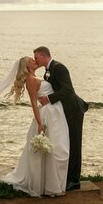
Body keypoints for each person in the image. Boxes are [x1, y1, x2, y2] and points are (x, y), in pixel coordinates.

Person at [0, 56, 69, 197]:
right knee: (49, 151)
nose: (35, 61)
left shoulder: (38, 76)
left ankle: (53, 185)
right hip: (46, 116)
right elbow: (34, 104)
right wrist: (39, 123)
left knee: (57, 149)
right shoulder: (30, 80)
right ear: (27, 66)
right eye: (32, 60)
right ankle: (46, 187)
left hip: (54, 114)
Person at [34, 46, 88, 191]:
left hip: (73, 110)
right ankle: (66, 178)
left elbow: (68, 89)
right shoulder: (48, 71)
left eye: (36, 57)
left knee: (75, 145)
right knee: (67, 143)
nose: (35, 60)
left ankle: (74, 181)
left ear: (44, 56)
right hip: (63, 112)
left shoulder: (59, 68)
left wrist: (49, 99)